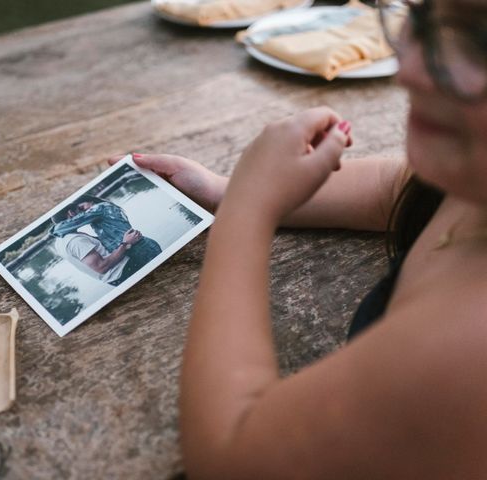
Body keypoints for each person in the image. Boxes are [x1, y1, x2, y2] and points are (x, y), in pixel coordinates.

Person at [110, 0, 487, 476]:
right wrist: (227, 190)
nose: (406, 68)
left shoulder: (466, 351)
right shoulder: (471, 184)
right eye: (424, 15)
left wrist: (248, 211)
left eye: (480, 43)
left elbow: (228, 454)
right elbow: (396, 191)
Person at [52, 194, 162, 273]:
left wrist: (53, 230)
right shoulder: (99, 212)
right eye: (80, 210)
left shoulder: (99, 208)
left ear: (91, 201)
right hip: (138, 249)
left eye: (82, 208)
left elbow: (65, 226)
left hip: (143, 249)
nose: (83, 212)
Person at [50, 204, 143, 286]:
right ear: (71, 213)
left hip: (118, 276)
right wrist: (126, 243)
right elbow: (101, 267)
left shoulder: (59, 241)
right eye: (80, 210)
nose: (85, 213)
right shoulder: (75, 241)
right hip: (125, 271)